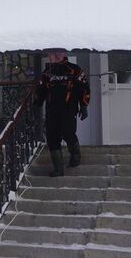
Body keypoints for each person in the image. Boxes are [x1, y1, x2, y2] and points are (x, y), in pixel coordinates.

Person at [34, 49, 90, 177]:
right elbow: (41, 90)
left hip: (69, 110)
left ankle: (75, 155)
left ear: (64, 54)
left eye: (57, 53)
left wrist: (84, 105)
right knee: (52, 138)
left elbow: (84, 88)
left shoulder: (75, 70)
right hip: (51, 111)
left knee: (68, 133)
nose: (54, 56)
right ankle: (58, 169)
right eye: (52, 54)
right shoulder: (47, 72)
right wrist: (37, 103)